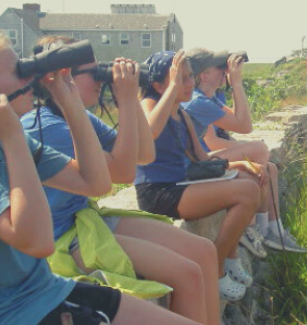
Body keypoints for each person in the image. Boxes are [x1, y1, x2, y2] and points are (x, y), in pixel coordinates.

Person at [18, 36, 222, 324]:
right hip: (61, 238)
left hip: (82, 219)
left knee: (204, 250)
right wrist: (125, 101)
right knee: (186, 273)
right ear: (61, 79)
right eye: (94, 73)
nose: (102, 78)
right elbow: (123, 174)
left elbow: (144, 154)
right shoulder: (46, 127)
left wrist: (133, 97)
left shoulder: (78, 117)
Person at [136, 50, 263, 301]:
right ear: (158, 85)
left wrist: (239, 164)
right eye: (179, 79)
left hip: (183, 182)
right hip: (159, 191)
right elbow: (148, 133)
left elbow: (201, 159)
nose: (189, 84)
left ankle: (229, 255)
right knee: (246, 192)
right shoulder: (148, 105)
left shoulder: (181, 113)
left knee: (248, 181)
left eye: (190, 77)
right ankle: (215, 266)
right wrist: (172, 90)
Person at [182, 48, 305, 254]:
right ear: (204, 75)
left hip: (197, 162)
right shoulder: (196, 101)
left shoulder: (208, 98)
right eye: (220, 67)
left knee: (269, 167)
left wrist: (232, 84)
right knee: (258, 151)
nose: (225, 71)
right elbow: (244, 126)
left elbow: (239, 120)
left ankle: (273, 230)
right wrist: (236, 83)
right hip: (190, 167)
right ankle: (254, 228)